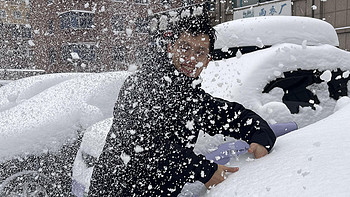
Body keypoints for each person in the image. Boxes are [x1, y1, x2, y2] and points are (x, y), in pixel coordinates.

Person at [88, 10, 276, 197]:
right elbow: (143, 144)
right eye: (185, 48)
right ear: (171, 48)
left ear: (207, 61)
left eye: (200, 52)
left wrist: (260, 137)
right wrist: (204, 170)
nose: (191, 58)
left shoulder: (193, 99)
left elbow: (234, 116)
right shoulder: (140, 85)